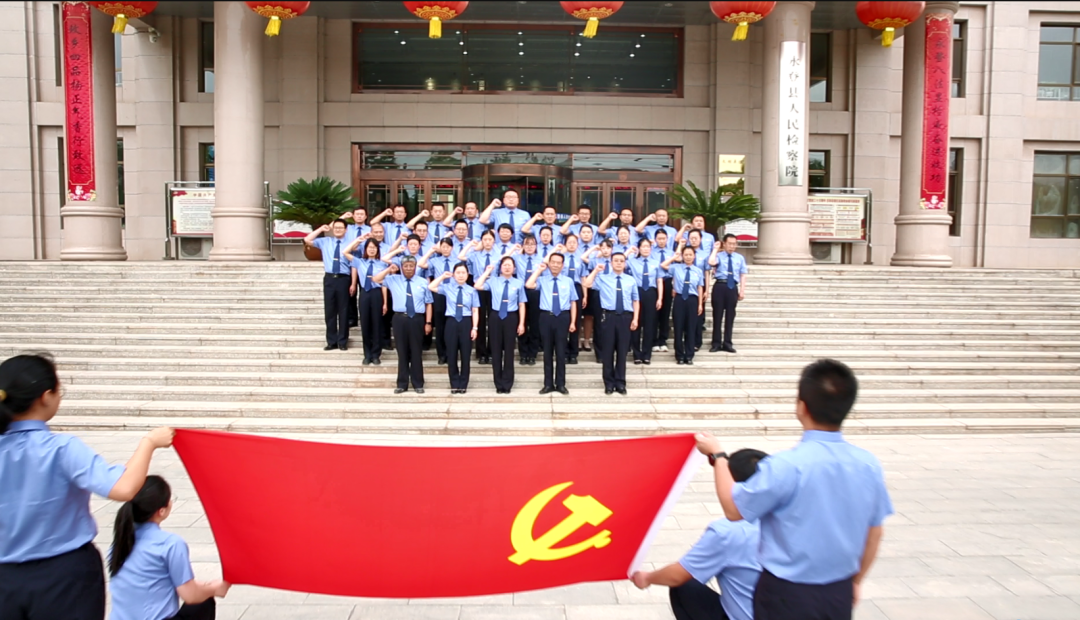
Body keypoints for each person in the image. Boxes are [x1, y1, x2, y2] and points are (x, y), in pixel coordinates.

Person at [695, 360, 893, 620]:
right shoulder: (868, 464)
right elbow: (875, 533)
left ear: (802, 406)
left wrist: (719, 456)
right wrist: (855, 581)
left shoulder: (785, 466)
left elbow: (734, 510)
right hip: (838, 591)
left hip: (786, 594)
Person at [0, 354, 174, 620]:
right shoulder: (61, 449)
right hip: (64, 577)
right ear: (45, 397)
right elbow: (124, 488)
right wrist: (149, 443)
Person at [630, 449, 768, 620]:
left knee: (684, 584)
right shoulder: (793, 518)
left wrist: (647, 578)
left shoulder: (730, 532)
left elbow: (677, 576)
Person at [108, 476, 229, 620]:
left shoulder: (119, 544)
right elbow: (190, 596)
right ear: (161, 511)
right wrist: (213, 589)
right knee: (203, 602)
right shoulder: (170, 544)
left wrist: (201, 585)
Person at [373, 257, 433, 394]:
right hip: (400, 319)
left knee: (416, 352)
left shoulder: (423, 282)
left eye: (411, 266)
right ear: (401, 267)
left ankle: (418, 383)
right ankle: (402, 383)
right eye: (405, 266)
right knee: (402, 351)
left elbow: (429, 304)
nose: (408, 268)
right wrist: (389, 269)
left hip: (417, 319)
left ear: (415, 267)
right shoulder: (393, 280)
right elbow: (375, 279)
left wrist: (428, 322)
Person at [582, 253, 639, 395]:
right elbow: (586, 284)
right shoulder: (603, 278)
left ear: (625, 263)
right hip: (608, 316)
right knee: (607, 352)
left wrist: (635, 318)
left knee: (622, 351)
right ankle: (608, 383)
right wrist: (596, 271)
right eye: (616, 261)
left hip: (625, 317)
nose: (619, 263)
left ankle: (620, 382)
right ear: (611, 263)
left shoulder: (631, 280)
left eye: (621, 261)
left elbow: (635, 300)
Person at [526, 254, 577, 395]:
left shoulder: (568, 281)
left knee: (561, 352)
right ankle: (548, 384)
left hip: (563, 317)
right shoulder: (542, 280)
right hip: (546, 317)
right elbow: (529, 285)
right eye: (552, 262)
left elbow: (573, 302)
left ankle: (561, 384)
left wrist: (573, 321)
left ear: (562, 265)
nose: (555, 265)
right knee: (547, 352)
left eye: (558, 263)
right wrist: (539, 270)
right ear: (548, 264)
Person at [475, 257, 526, 394]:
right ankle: (498, 383)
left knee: (509, 351)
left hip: (511, 317)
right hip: (496, 316)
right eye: (504, 265)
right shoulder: (493, 281)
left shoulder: (519, 283)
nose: (507, 268)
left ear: (514, 268)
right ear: (500, 267)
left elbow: (521, 304)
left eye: (510, 265)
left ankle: (507, 383)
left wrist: (521, 323)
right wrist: (487, 272)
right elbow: (478, 286)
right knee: (496, 350)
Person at [428, 264, 480, 394]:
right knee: (451, 355)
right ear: (454, 274)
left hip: (466, 322)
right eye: (458, 273)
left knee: (465, 355)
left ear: (467, 275)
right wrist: (442, 277)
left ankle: (463, 384)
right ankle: (454, 383)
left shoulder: (472, 290)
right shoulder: (447, 287)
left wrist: (475, 327)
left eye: (463, 273)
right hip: (451, 322)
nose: (461, 275)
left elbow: (475, 310)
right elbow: (431, 287)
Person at [304, 219, 352, 351]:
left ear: (346, 229)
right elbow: (307, 240)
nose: (338, 230)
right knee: (330, 310)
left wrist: (353, 283)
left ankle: (342, 341)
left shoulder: (350, 244)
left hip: (343, 279)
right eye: (336, 227)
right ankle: (331, 341)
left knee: (343, 311)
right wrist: (321, 229)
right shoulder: (325, 241)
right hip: (329, 279)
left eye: (341, 228)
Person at [344, 238, 389, 366]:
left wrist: (385, 302)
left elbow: (384, 284)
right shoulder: (360, 262)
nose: (372, 250)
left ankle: (376, 355)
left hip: (377, 294)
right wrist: (358, 240)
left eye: (374, 247)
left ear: (378, 250)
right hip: (365, 293)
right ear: (365, 249)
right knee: (365, 324)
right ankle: (367, 354)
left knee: (377, 324)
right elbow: (345, 252)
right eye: (369, 247)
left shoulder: (382, 264)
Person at [662, 242, 706, 365]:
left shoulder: (698, 271)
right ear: (682, 256)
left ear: (694, 256)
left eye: (690, 254)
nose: (688, 257)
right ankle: (680, 355)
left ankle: (689, 355)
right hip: (679, 299)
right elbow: (663, 265)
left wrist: (700, 304)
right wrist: (674, 258)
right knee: (678, 327)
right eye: (686, 254)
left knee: (691, 328)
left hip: (692, 299)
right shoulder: (676, 268)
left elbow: (700, 287)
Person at [460, 231, 500, 364]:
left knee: (494, 320)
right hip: (479, 288)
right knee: (480, 321)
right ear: (482, 241)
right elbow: (461, 256)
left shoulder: (499, 256)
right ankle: (482, 352)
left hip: (494, 289)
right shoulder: (475, 255)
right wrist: (471, 245)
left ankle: (493, 352)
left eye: (490, 239)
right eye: (485, 239)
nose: (487, 242)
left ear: (494, 241)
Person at [708, 234, 748, 354]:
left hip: (732, 287)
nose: (732, 246)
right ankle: (716, 343)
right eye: (729, 244)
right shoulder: (719, 255)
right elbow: (711, 262)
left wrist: (742, 290)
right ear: (724, 244)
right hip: (720, 285)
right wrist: (715, 249)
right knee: (717, 315)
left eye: (734, 244)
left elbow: (743, 275)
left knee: (730, 316)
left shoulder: (740, 258)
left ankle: (727, 343)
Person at [419, 239, 456, 365]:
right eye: (443, 247)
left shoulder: (457, 261)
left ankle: (451, 354)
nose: (445, 249)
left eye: (448, 247)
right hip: (439, 293)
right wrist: (431, 251)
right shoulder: (435, 261)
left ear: (452, 248)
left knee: (452, 325)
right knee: (440, 326)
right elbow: (421, 263)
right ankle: (442, 354)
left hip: (452, 294)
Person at [628, 238, 663, 365]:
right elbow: (618, 262)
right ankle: (636, 354)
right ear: (639, 248)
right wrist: (629, 251)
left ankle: (647, 354)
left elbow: (659, 280)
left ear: (651, 248)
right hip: (637, 292)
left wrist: (660, 298)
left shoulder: (656, 263)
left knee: (649, 325)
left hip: (651, 293)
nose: (646, 249)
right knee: (636, 323)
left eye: (648, 246)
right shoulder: (632, 262)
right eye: (643, 246)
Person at [580, 240, 613, 362]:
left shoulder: (615, 261)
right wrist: (594, 249)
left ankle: (609, 351)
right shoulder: (595, 261)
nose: (605, 250)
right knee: (598, 323)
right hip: (597, 293)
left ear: (612, 249)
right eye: (603, 248)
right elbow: (583, 258)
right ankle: (600, 354)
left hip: (612, 294)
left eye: (608, 248)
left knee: (610, 323)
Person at [514, 236, 543, 366]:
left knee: (535, 325)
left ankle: (532, 354)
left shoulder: (541, 259)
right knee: (522, 323)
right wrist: (517, 250)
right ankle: (523, 353)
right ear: (523, 246)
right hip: (521, 292)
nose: (530, 246)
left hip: (535, 292)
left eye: (532, 244)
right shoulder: (517, 258)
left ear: (536, 246)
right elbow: (501, 261)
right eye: (527, 244)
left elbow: (544, 277)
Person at [341, 206, 370, 329]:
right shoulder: (348, 229)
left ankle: (365, 317)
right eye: (357, 214)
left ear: (366, 216)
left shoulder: (370, 230)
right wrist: (343, 217)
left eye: (362, 214)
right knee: (350, 292)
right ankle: (352, 318)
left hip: (364, 263)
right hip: (349, 263)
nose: (359, 216)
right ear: (353, 216)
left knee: (365, 291)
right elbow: (332, 227)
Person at [560, 235, 584, 365]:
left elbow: (583, 278)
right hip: (562, 287)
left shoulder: (580, 259)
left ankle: (574, 353)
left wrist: (585, 295)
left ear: (577, 245)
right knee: (564, 320)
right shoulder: (560, 258)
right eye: (569, 242)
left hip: (577, 287)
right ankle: (563, 352)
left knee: (576, 320)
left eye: (574, 242)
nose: (572, 244)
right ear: (565, 244)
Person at [652, 229, 675, 354]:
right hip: (654, 283)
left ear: (667, 239)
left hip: (667, 282)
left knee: (665, 312)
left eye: (663, 239)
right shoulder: (651, 252)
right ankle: (654, 340)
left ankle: (663, 340)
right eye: (659, 239)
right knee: (654, 312)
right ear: (655, 239)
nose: (661, 241)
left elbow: (676, 270)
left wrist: (675, 286)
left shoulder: (671, 253)